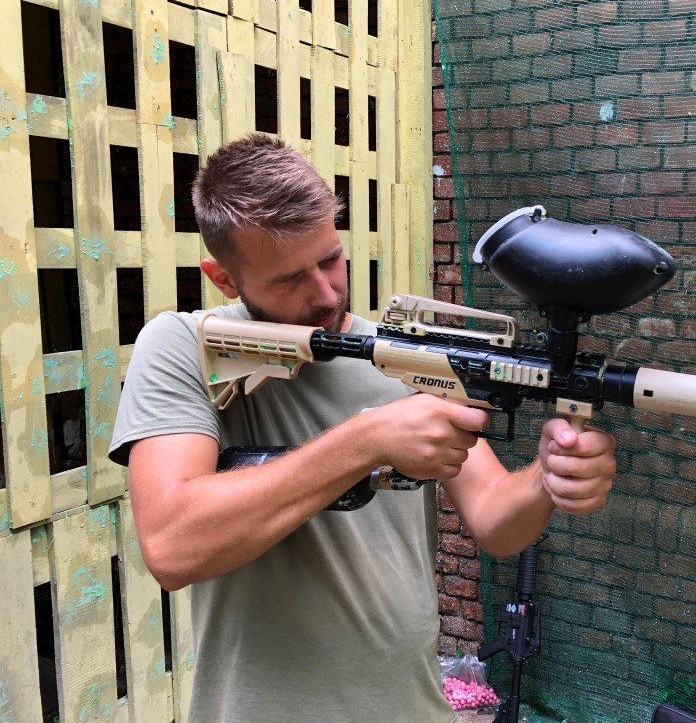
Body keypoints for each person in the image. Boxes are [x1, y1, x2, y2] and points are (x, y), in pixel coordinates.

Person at [110, 134, 618, 722]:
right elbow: (173, 545)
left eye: (330, 258)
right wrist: (368, 440)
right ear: (224, 279)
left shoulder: (407, 356)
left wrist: (548, 477)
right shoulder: (182, 346)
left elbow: (495, 522)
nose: (326, 292)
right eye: (288, 279)